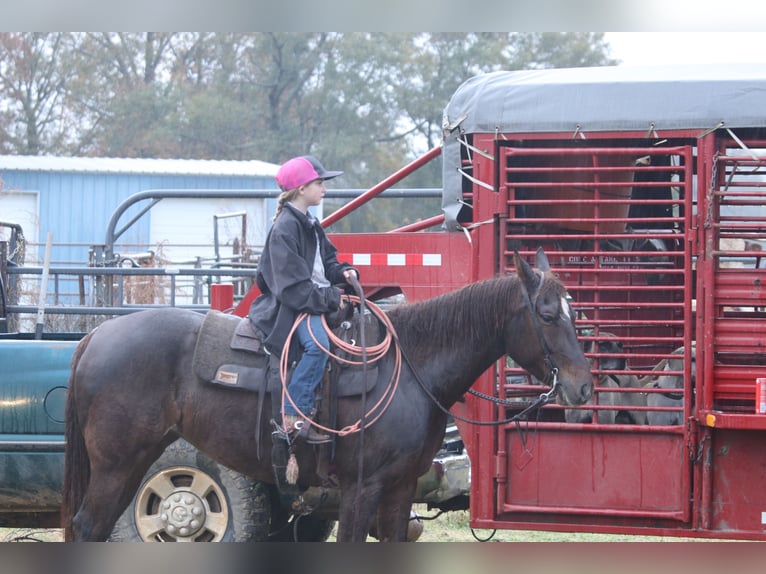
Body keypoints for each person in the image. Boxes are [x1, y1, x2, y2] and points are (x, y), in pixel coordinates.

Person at [249, 155, 358, 444]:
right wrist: (333, 298)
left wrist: (343, 272)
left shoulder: (309, 222)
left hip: (314, 298)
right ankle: (292, 416)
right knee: (318, 345)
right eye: (319, 183)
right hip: (293, 308)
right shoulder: (285, 228)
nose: (324, 189)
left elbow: (327, 261)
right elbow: (293, 290)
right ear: (301, 189)